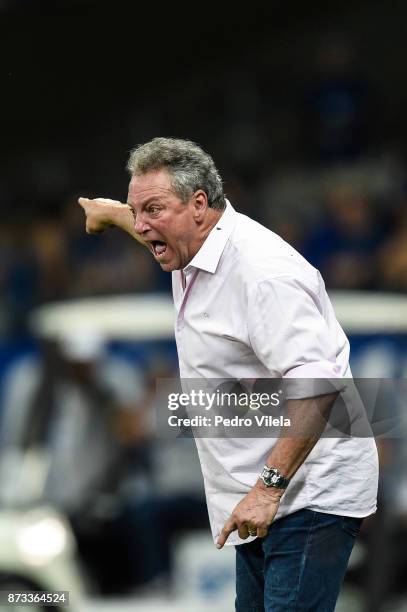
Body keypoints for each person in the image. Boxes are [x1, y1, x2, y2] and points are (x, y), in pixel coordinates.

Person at [78, 137, 378, 611]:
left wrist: (267, 490)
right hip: (259, 491)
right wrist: (114, 214)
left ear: (199, 204)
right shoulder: (189, 244)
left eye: (151, 208)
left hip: (306, 491)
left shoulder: (262, 273)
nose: (143, 226)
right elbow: (155, 232)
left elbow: (320, 385)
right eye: (137, 212)